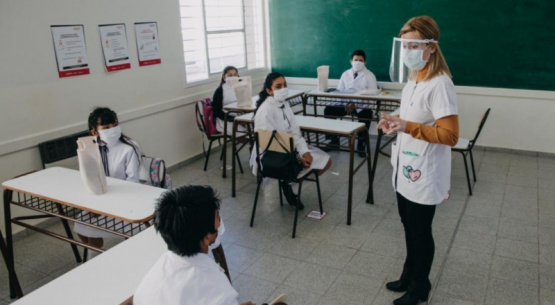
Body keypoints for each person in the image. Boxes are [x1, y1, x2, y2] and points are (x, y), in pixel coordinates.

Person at [377, 16, 459, 305]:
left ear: (432, 47)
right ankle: (409, 274)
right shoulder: (415, 79)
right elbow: (413, 120)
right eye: (405, 45)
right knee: (407, 224)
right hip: (406, 166)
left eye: (414, 45)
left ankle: (420, 287)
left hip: (425, 172)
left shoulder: (440, 84)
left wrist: (407, 127)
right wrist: (395, 121)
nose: (408, 51)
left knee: (420, 231)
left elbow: (450, 135)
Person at [133, 185, 255, 305]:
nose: (219, 222)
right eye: (218, 216)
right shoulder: (219, 292)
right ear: (207, 238)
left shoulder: (147, 284)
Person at [250, 72, 332, 210]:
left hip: (288, 150)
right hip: (271, 158)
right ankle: (288, 182)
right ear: (269, 91)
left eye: (285, 84)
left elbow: (294, 132)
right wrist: (299, 157)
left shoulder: (284, 104)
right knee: (309, 165)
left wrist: (304, 152)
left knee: (326, 162)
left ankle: (287, 183)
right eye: (278, 86)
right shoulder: (266, 110)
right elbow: (272, 144)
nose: (283, 88)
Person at [74, 107, 142, 249]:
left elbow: (133, 183)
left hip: (125, 200)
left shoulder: (129, 148)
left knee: (91, 227)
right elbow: (90, 177)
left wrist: (107, 204)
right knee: (79, 222)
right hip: (100, 199)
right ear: (94, 132)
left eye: (115, 125)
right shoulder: (91, 149)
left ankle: (95, 256)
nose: (112, 129)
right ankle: (96, 254)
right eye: (106, 127)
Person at [324, 49, 378, 154]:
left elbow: (372, 95)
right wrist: (348, 103)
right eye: (356, 60)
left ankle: (361, 144)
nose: (358, 62)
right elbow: (340, 91)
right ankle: (334, 141)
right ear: (351, 61)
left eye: (361, 60)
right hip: (345, 104)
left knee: (367, 114)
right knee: (329, 110)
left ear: (365, 62)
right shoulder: (345, 74)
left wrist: (355, 104)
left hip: (361, 105)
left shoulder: (370, 75)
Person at [212, 66, 240, 135]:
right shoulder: (219, 91)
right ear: (224, 77)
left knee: (254, 129)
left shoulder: (240, 87)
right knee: (245, 133)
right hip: (225, 120)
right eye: (230, 75)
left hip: (240, 117)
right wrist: (233, 119)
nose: (233, 77)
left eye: (235, 75)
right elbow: (217, 111)